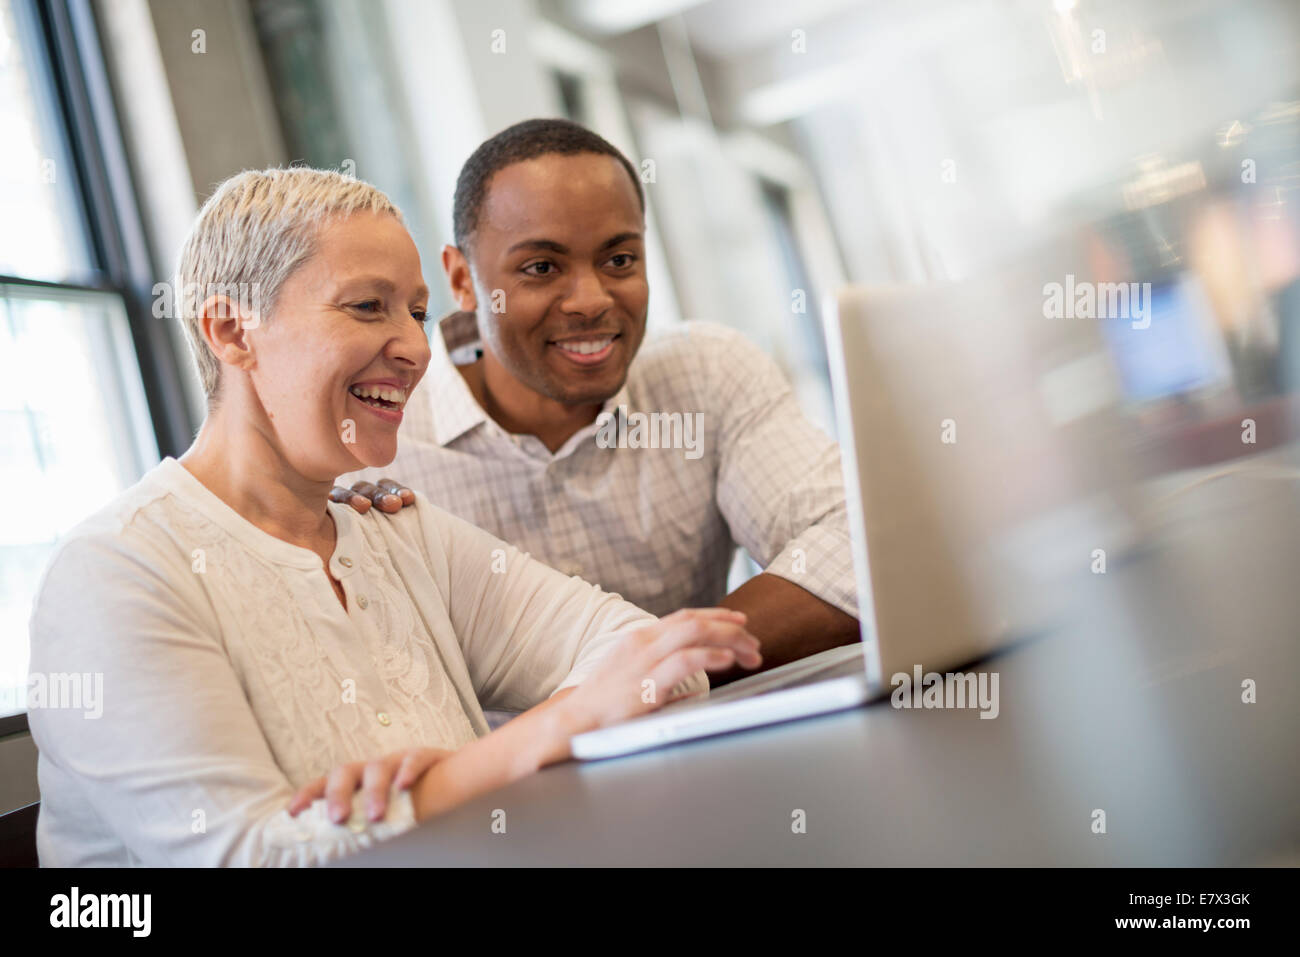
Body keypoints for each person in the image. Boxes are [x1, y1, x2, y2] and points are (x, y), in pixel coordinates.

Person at [26, 168, 760, 866]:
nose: (414, 347)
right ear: (232, 330)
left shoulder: (398, 530)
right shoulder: (116, 571)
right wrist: (515, 750)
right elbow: (246, 858)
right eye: (367, 306)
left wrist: (458, 775)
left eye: (416, 311)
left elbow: (651, 657)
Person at [336, 118, 859, 681]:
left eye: (619, 261)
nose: (591, 300)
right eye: (542, 267)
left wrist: (647, 675)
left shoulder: (707, 375)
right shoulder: (372, 442)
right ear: (463, 280)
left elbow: (855, 547)